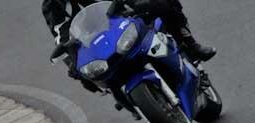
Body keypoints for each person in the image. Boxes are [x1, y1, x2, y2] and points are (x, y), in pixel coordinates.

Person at [42, 0, 216, 74]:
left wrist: (133, 4)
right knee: (81, 74)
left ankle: (190, 45)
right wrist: (71, 59)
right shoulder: (53, 6)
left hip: (125, 18)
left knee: (163, 3)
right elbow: (61, 36)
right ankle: (124, 98)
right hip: (98, 47)